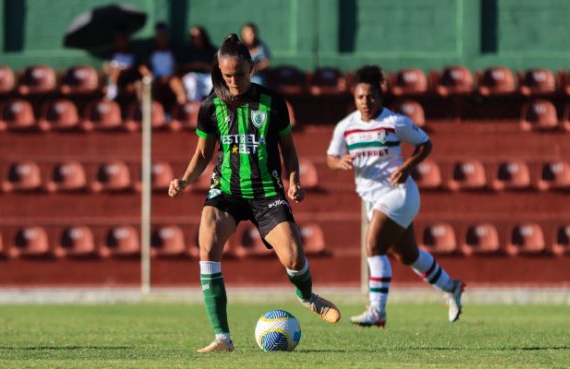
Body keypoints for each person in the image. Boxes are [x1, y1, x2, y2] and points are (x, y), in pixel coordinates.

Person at [168, 33, 341, 353]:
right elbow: (204, 153)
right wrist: (185, 180)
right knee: (206, 246)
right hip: (226, 191)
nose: (233, 81)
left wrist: (294, 180)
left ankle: (306, 297)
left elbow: (288, 149)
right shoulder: (210, 105)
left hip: (266, 192)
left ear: (251, 67)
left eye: (239, 73)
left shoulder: (273, 103)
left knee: (293, 255)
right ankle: (222, 338)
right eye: (227, 75)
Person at [327, 65, 464, 327]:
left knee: (373, 246)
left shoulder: (394, 122)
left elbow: (425, 144)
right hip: (372, 199)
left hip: (399, 193)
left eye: (371, 96)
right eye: (360, 97)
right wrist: (339, 162)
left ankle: (377, 310)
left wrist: (408, 166)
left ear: (380, 96)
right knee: (408, 255)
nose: (366, 102)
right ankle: (451, 286)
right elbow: (330, 158)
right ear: (354, 98)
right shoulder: (346, 126)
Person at [138, 22, 187, 105]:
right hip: (155, 78)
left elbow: (178, 67)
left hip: (170, 78)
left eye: (163, 36)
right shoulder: (151, 51)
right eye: (159, 36)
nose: (161, 38)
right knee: (145, 83)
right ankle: (145, 111)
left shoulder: (173, 51)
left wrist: (171, 76)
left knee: (176, 83)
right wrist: (149, 75)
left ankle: (182, 109)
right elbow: (142, 67)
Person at [181, 26, 217, 101]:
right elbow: (181, 66)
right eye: (193, 37)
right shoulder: (187, 49)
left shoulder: (211, 49)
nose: (196, 39)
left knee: (215, 83)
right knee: (192, 82)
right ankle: (195, 107)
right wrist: (193, 65)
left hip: (207, 76)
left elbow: (217, 67)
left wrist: (203, 66)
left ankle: (212, 107)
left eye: (199, 36)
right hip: (191, 75)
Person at [103, 30, 140, 101]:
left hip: (130, 79)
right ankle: (112, 93)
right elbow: (107, 67)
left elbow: (135, 69)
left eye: (122, 39)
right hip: (116, 79)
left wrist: (125, 69)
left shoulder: (132, 54)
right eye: (118, 40)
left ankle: (139, 107)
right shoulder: (113, 54)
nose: (120, 42)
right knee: (115, 70)